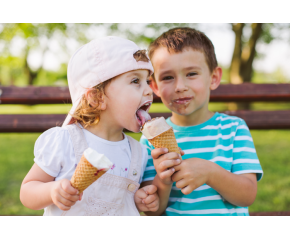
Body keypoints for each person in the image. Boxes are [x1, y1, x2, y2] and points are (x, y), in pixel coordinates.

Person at [20, 36, 159, 216]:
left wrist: (140, 200)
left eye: (147, 81)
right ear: (97, 98)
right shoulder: (65, 142)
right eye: (135, 81)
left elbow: (121, 202)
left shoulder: (138, 153)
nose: (149, 90)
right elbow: (27, 191)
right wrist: (52, 191)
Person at [140, 27, 263, 216]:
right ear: (155, 86)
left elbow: (247, 195)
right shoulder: (151, 139)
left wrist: (211, 172)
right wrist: (162, 181)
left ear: (213, 78)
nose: (180, 86)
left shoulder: (234, 129)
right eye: (167, 77)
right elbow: (152, 211)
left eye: (191, 74)